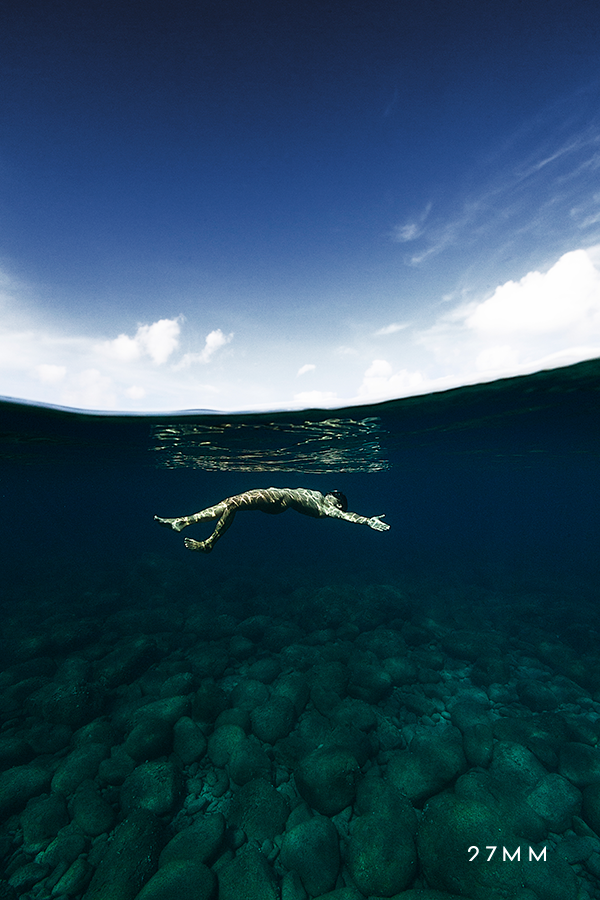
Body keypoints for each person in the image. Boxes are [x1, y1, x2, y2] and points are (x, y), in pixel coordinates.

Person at [155, 486, 390, 553]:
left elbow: (346, 516)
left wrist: (367, 520)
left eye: (334, 496)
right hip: (275, 495)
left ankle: (209, 543)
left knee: (233, 504)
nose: (330, 494)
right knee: (228, 502)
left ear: (336, 502)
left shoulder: (327, 508)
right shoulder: (318, 497)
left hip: (279, 501)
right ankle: (184, 521)